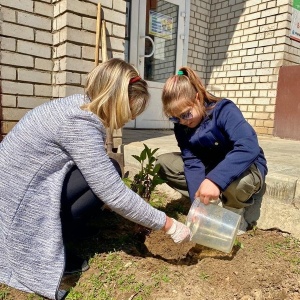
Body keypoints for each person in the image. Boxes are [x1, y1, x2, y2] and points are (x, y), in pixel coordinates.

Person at [0, 58, 191, 300]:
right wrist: (169, 225)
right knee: (104, 182)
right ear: (115, 100)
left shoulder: (76, 107)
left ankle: (62, 231)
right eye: (130, 110)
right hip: (14, 203)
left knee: (109, 168)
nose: (130, 119)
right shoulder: (79, 123)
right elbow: (113, 192)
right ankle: (42, 247)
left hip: (13, 188)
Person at [156, 67, 268, 236]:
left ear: (198, 98)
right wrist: (198, 206)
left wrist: (215, 181)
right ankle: (212, 201)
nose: (182, 122)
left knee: (238, 183)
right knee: (164, 163)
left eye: (186, 115)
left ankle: (235, 214)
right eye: (175, 118)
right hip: (213, 168)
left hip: (244, 167)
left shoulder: (224, 110)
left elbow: (248, 147)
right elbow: (192, 163)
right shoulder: (182, 125)